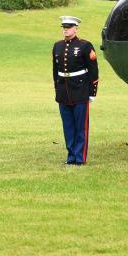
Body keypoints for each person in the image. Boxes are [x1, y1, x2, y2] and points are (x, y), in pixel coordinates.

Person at [52, 16, 99, 165]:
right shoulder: (57, 46)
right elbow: (55, 71)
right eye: (64, 27)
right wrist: (57, 89)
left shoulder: (85, 46)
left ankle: (79, 158)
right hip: (63, 92)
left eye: (69, 27)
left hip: (80, 91)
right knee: (68, 127)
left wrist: (92, 92)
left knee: (80, 127)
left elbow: (93, 70)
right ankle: (70, 157)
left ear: (76, 28)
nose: (66, 29)